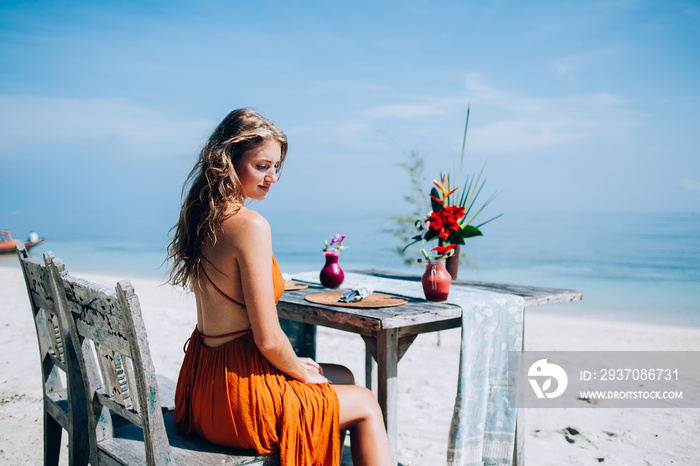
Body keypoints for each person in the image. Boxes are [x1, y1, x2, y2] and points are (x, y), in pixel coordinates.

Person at [167, 108, 392, 466]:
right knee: (365, 402)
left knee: (340, 377)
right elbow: (269, 340)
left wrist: (296, 365)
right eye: (261, 166)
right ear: (228, 161)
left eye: (276, 167)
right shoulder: (250, 225)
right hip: (238, 404)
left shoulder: (202, 217)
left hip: (203, 388)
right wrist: (297, 369)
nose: (272, 177)